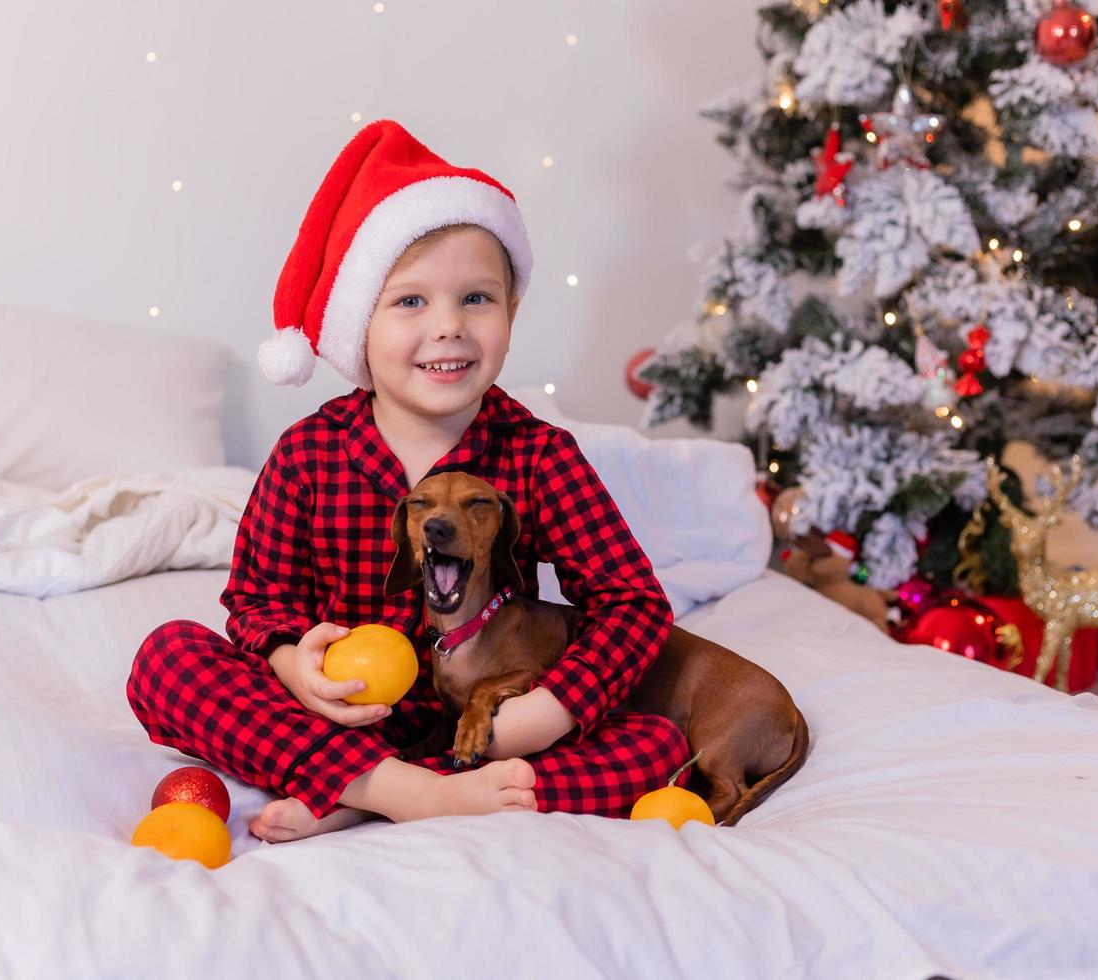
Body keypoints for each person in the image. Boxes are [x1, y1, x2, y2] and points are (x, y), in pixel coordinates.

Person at [127, 119, 688, 844]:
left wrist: (547, 711)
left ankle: (368, 793)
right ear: (359, 324)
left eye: (477, 299)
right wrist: (294, 666)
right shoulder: (309, 454)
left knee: (661, 744)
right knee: (168, 661)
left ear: (512, 313)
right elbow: (258, 599)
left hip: (486, 720)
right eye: (411, 302)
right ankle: (403, 790)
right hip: (339, 717)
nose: (449, 326)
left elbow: (632, 603)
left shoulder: (541, 455)